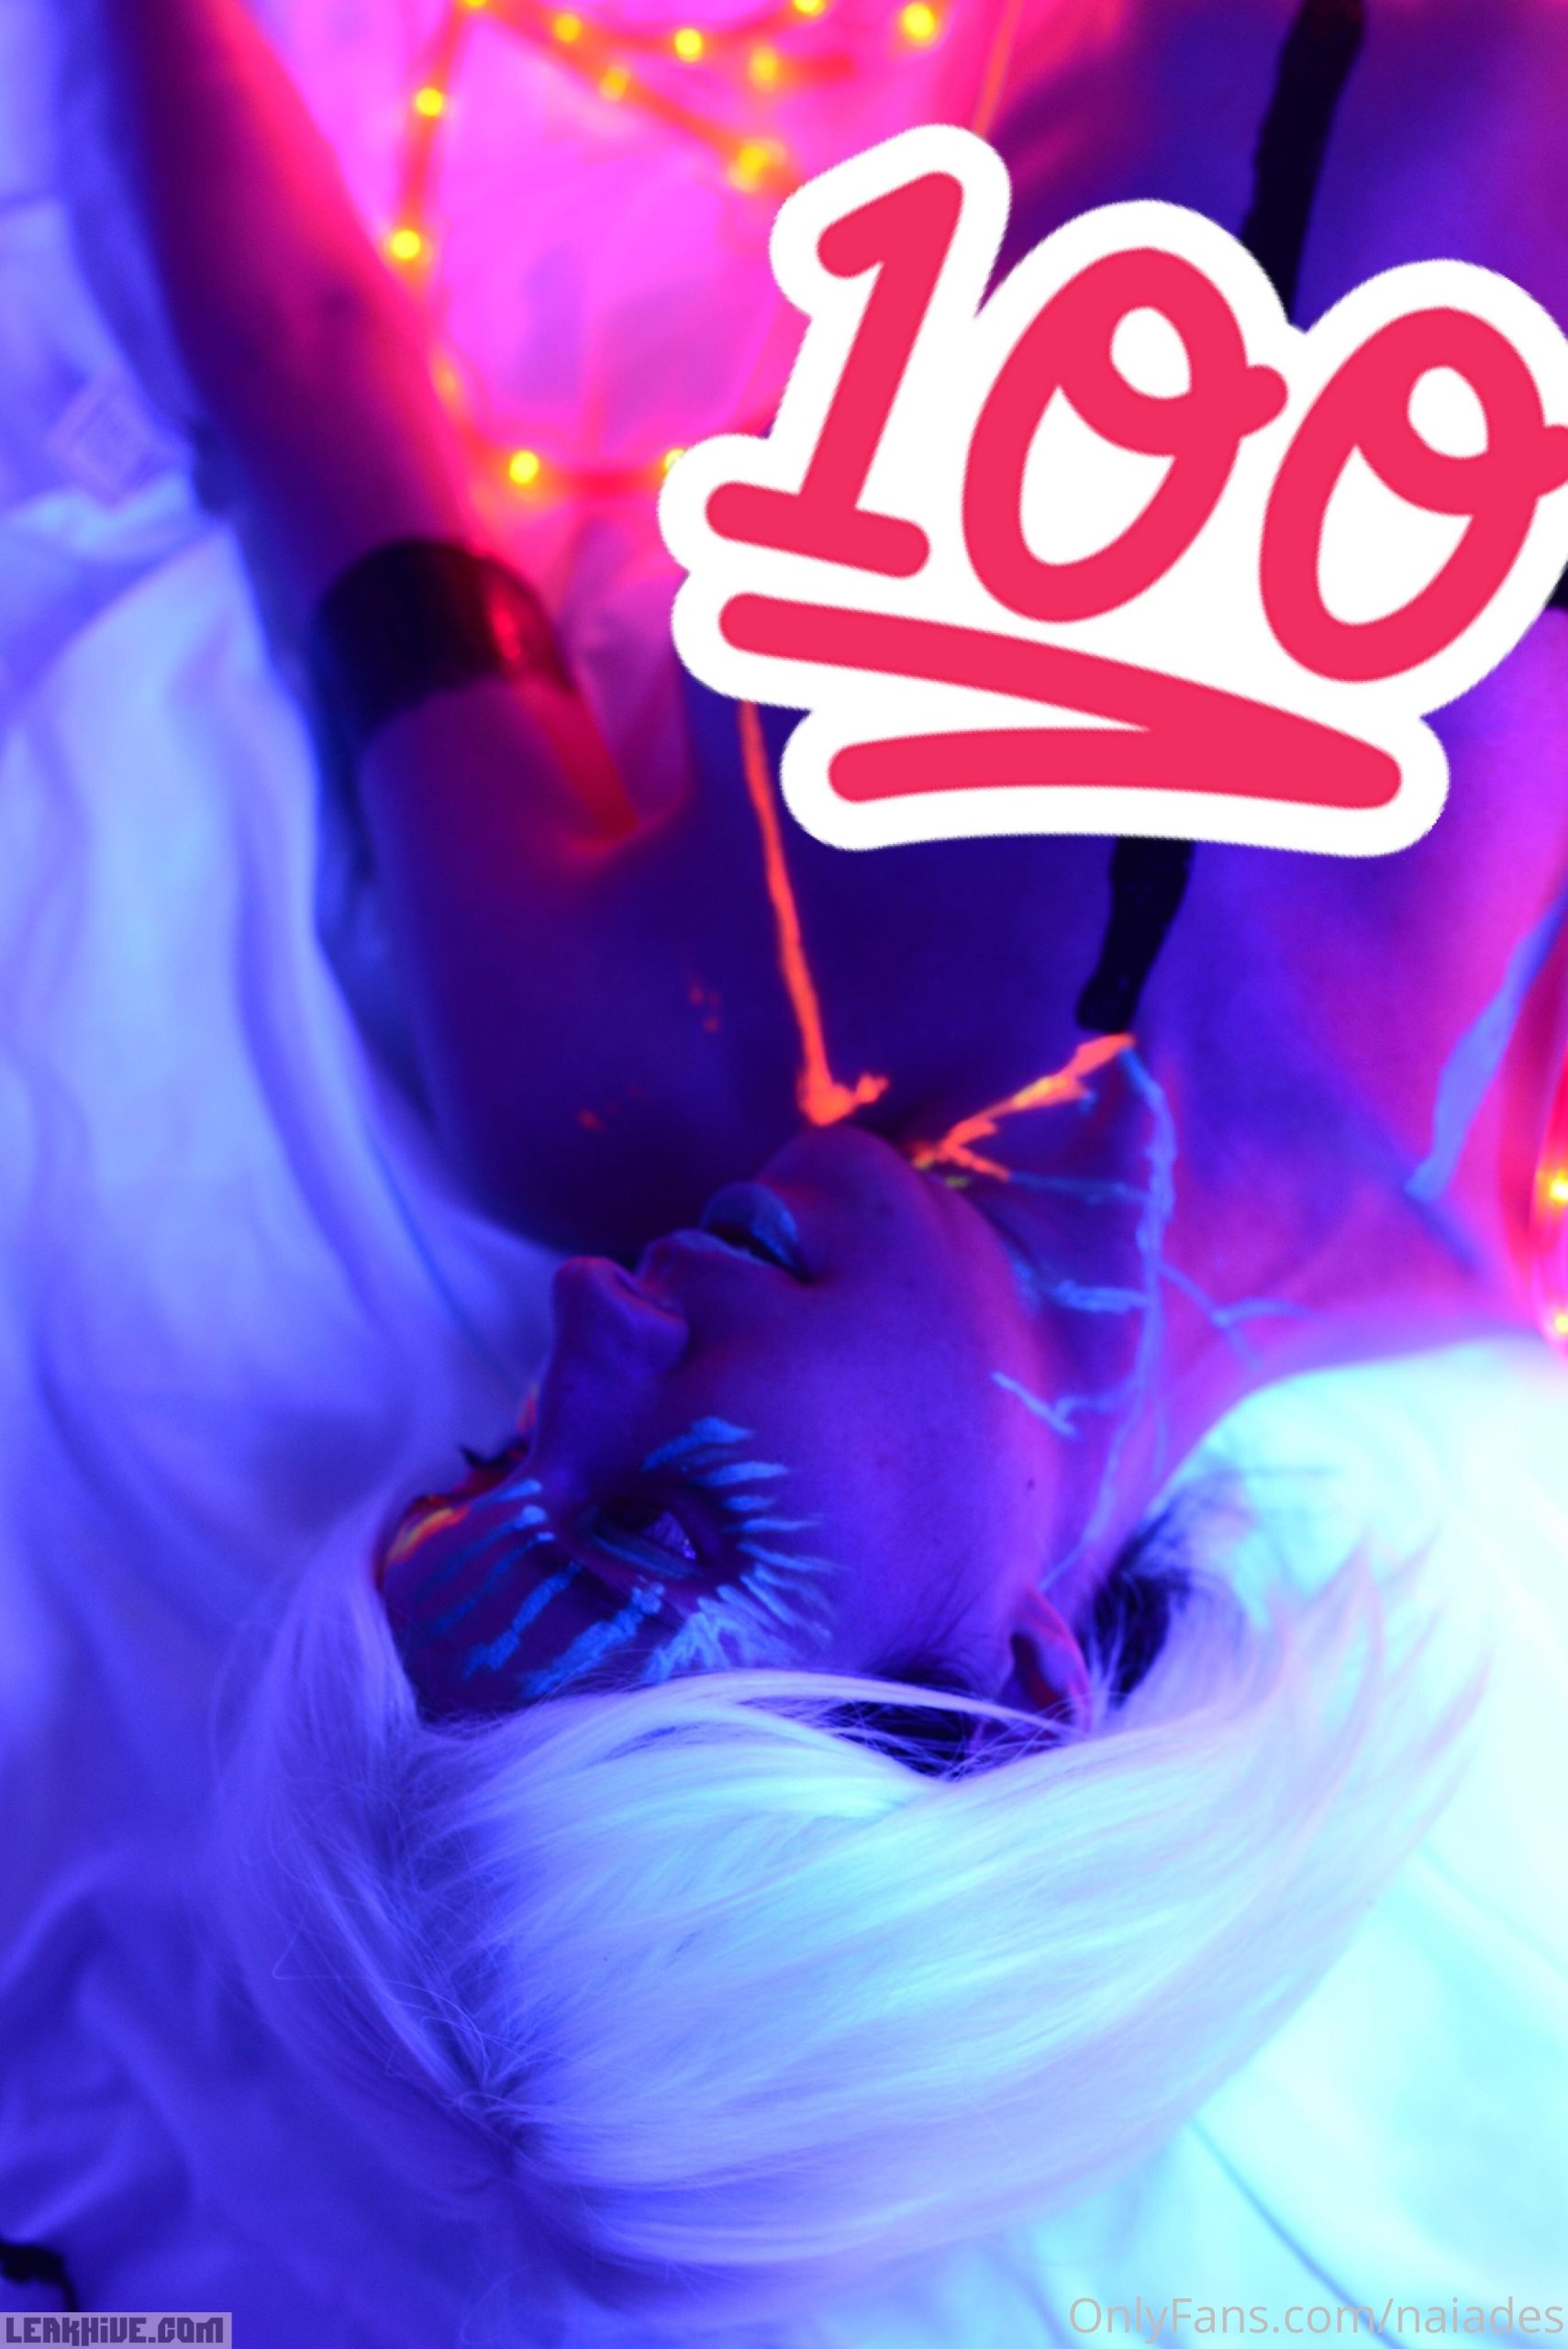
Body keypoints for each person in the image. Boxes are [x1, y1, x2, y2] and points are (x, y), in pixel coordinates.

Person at [95, 0, 1568, 2330]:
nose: (587, 1326)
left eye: (493, 1455)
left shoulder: (578, 1053)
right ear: (1013, 1706)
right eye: (654, 1518)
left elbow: (303, 361)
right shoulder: (1472, 1213)